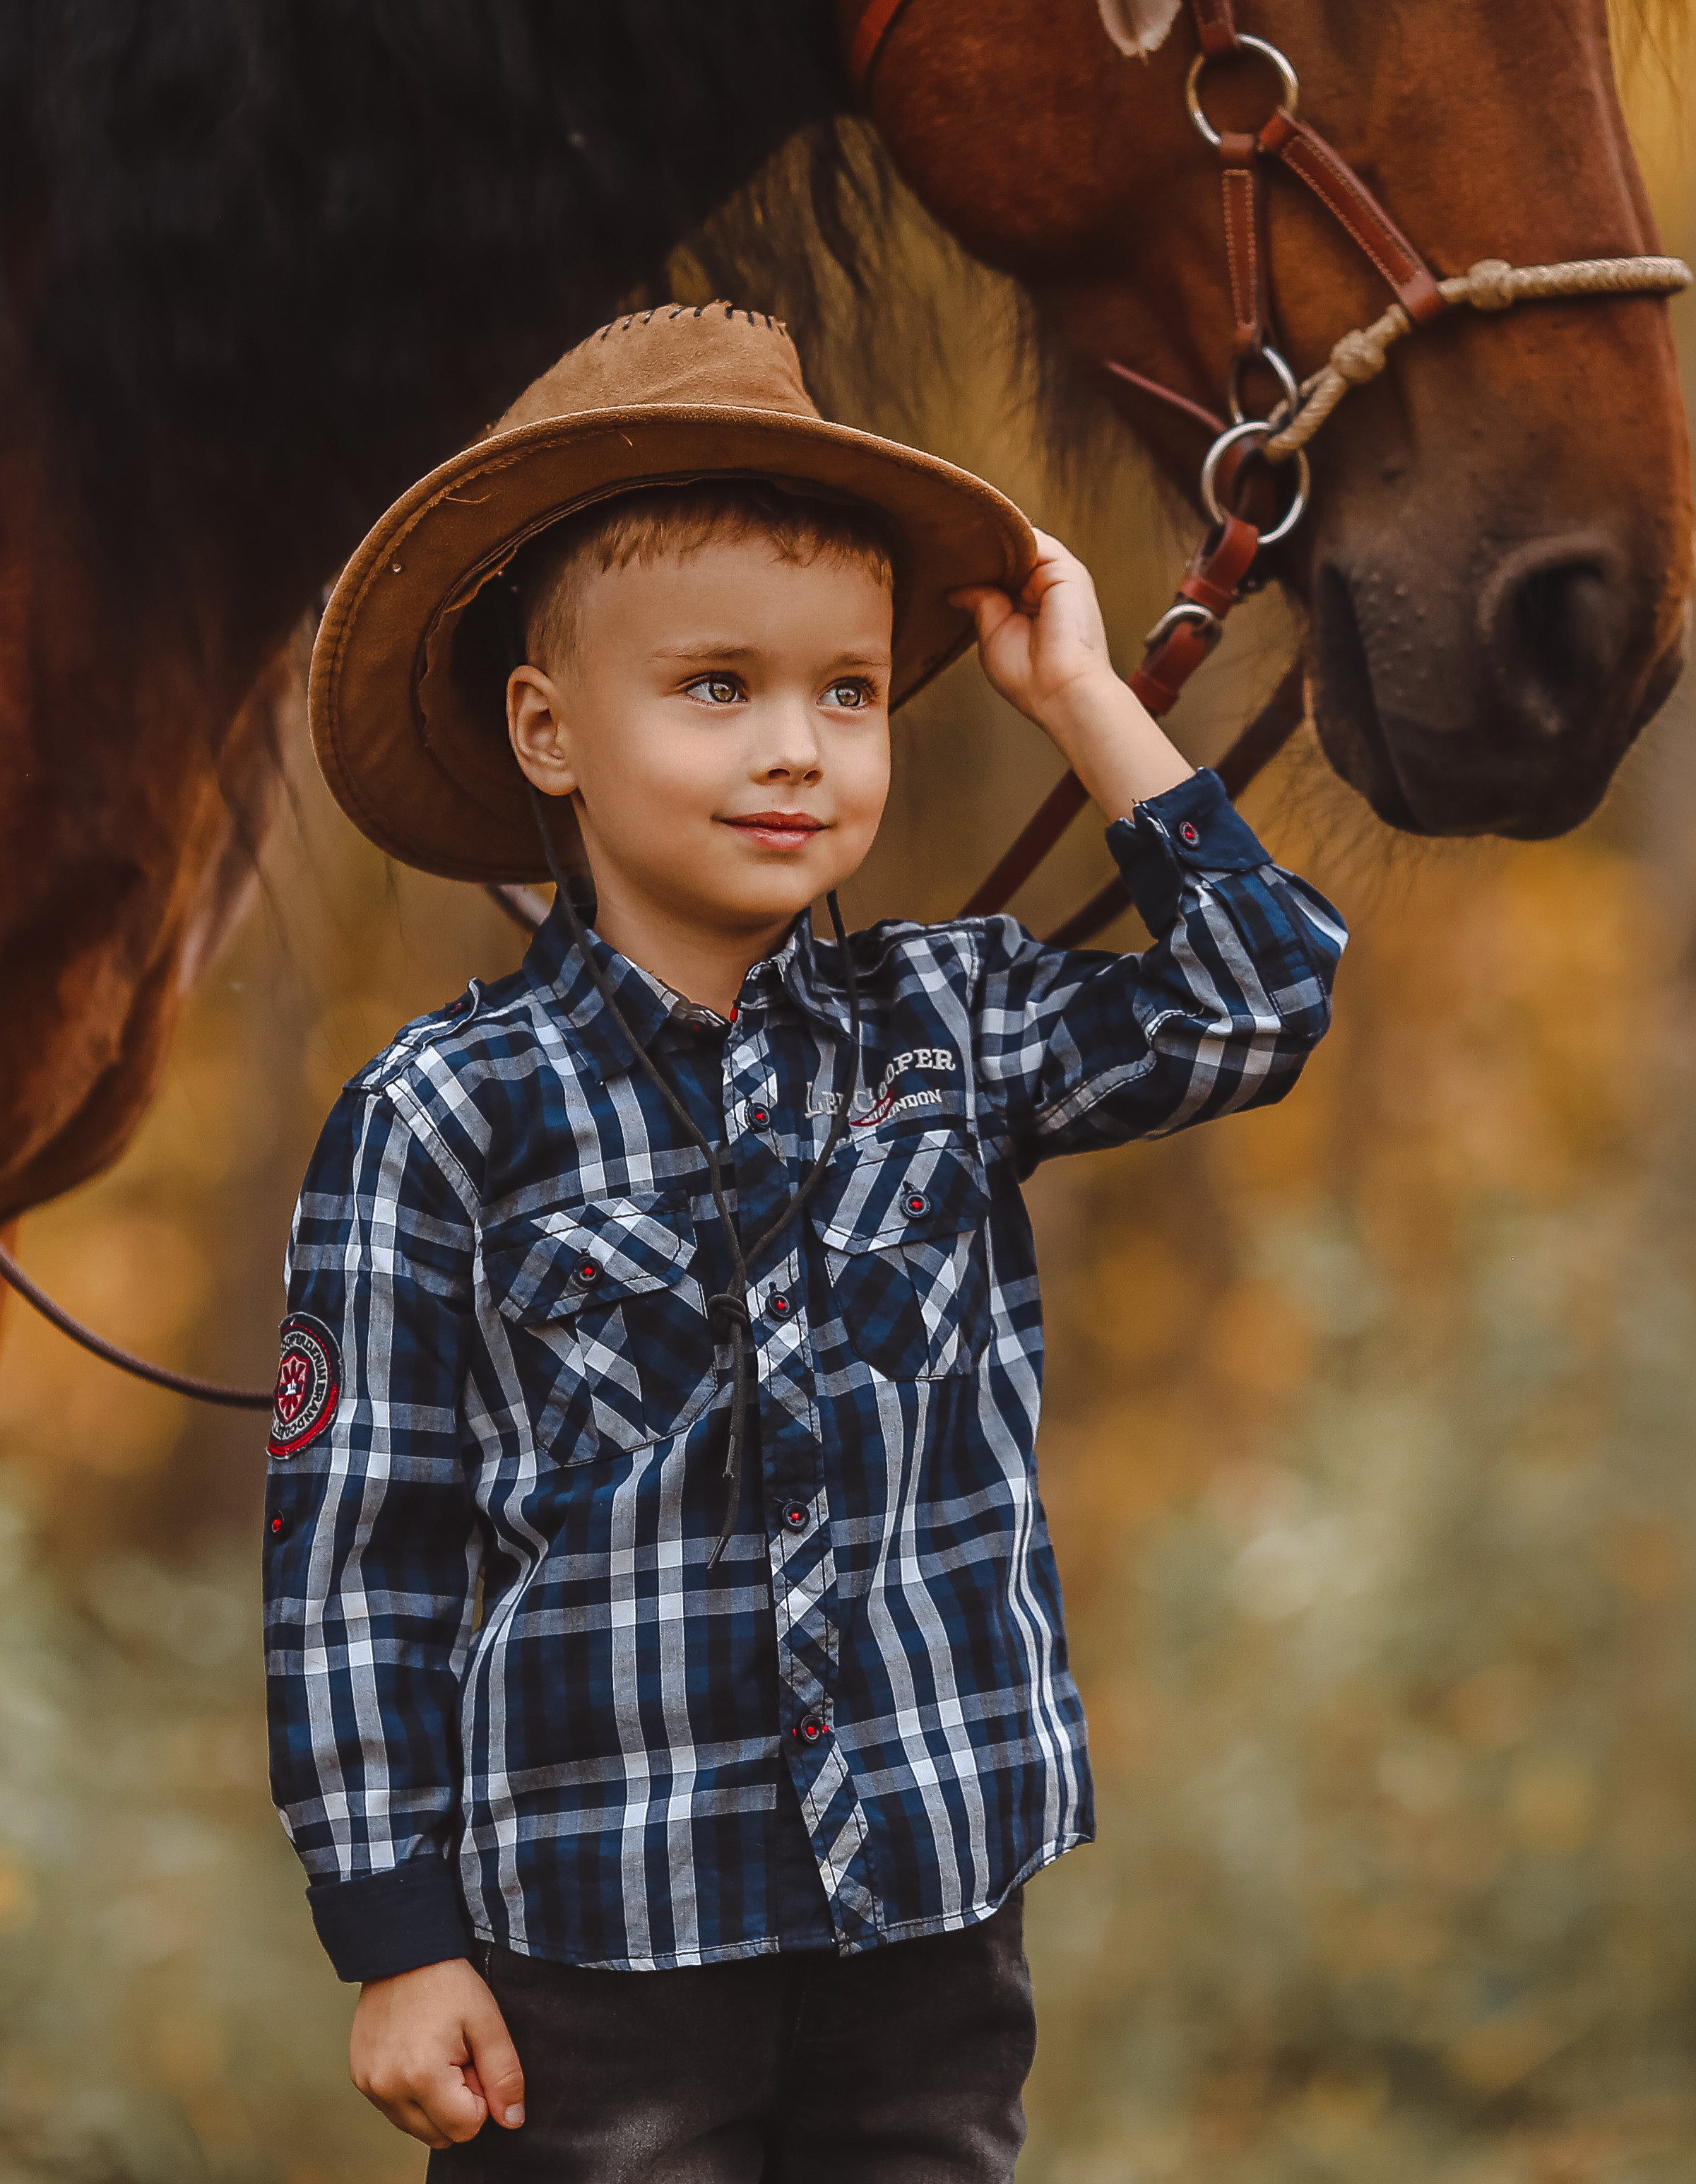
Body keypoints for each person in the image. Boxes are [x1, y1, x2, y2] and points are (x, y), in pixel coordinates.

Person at [265, 301, 1346, 2178]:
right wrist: (394, 1935)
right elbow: (360, 1561)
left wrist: (1086, 699)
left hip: (923, 1910)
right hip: (592, 1939)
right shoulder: (440, 1112)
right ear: (547, 728)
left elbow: (1261, 999)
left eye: (844, 691)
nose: (795, 750)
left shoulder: (955, 1026)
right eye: (715, 687)